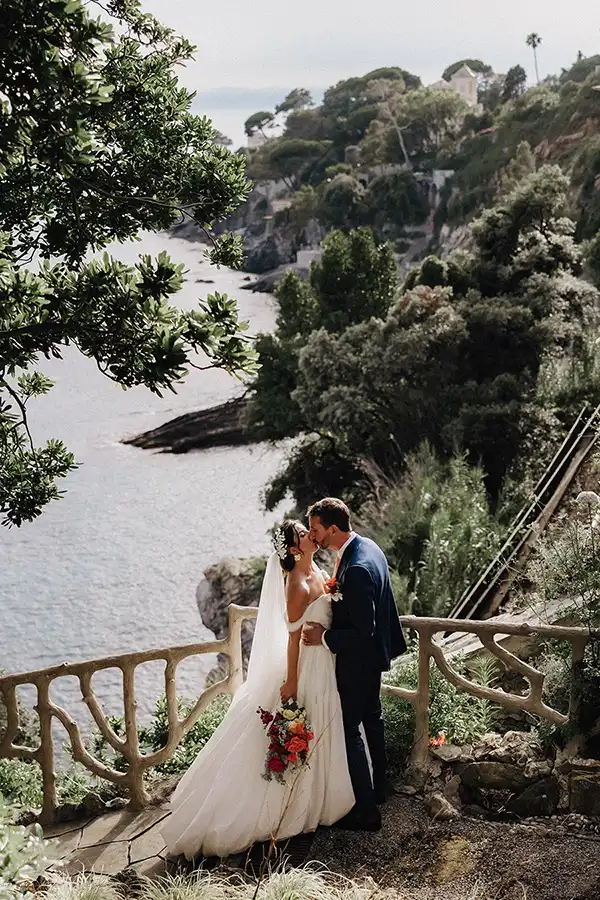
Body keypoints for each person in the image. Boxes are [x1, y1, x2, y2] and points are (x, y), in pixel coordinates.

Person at [161, 520, 354, 860]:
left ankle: (322, 796)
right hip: (307, 665)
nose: (312, 535)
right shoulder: (296, 583)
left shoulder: (320, 572)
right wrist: (292, 681)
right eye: (303, 534)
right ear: (294, 549)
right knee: (305, 725)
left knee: (325, 722)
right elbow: (293, 637)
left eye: (310, 531)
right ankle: (291, 804)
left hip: (325, 661)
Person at [303, 497, 406, 831]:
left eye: (316, 529)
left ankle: (366, 811)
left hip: (359, 660)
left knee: (349, 729)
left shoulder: (358, 568)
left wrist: (325, 638)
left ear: (332, 528)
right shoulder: (367, 547)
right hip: (373, 658)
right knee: (372, 720)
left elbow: (364, 630)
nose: (311, 534)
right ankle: (380, 790)